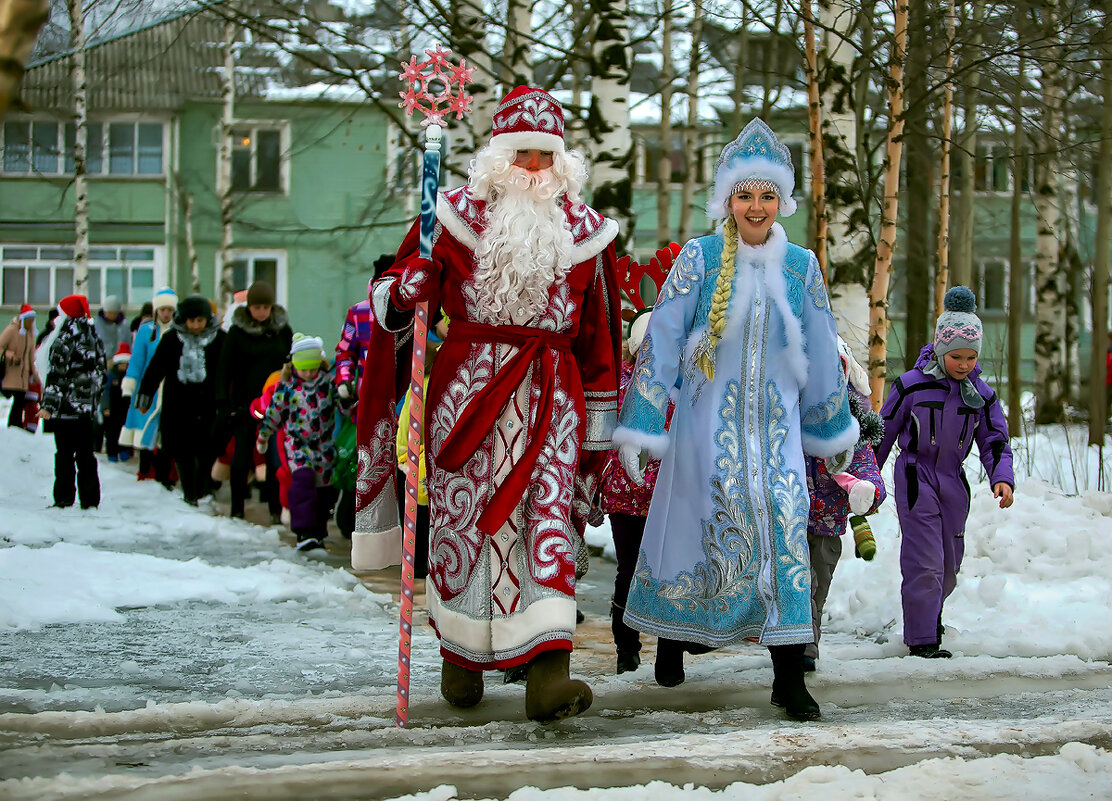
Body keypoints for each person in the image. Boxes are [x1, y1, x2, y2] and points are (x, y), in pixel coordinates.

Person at [355, 85, 623, 723]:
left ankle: (548, 672)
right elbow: (391, 301)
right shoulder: (444, 218)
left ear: (562, 165)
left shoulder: (588, 234)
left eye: (544, 157)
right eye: (521, 155)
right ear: (498, 159)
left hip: (552, 398)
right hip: (466, 395)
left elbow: (601, 338)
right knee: (464, 521)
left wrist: (603, 422)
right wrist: (405, 291)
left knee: (547, 524)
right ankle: (462, 659)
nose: (533, 170)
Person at [611, 118, 857, 722]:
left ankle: (787, 675)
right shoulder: (699, 258)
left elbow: (823, 351)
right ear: (727, 199)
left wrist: (832, 429)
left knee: (782, 528)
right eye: (744, 194)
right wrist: (644, 421)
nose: (756, 206)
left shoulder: (801, 267)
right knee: (694, 531)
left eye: (767, 194)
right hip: (703, 431)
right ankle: (671, 640)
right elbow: (662, 340)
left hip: (776, 436)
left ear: (782, 201)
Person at [876, 286, 1015, 659]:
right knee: (925, 561)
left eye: (971, 357)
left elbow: (995, 440)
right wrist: (866, 477)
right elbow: (883, 432)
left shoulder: (981, 395)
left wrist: (1001, 476)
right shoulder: (911, 387)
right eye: (956, 356)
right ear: (940, 348)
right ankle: (922, 640)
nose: (964, 364)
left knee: (950, 564)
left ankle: (931, 615)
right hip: (915, 478)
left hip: (954, 482)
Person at [802, 337, 886, 672]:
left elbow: (866, 465)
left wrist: (869, 491)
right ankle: (796, 647)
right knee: (798, 584)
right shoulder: (787, 415)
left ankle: (808, 644)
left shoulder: (853, 422)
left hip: (827, 524)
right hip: (788, 519)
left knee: (818, 586)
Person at [597, 308, 673, 676]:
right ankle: (627, 648)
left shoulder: (675, 384)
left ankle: (664, 653)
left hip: (664, 497)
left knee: (662, 573)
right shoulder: (621, 384)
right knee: (632, 571)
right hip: (627, 497)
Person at [256, 334, 346, 551]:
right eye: (303, 369)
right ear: (295, 366)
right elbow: (273, 415)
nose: (308, 373)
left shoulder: (327, 384)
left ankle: (318, 531)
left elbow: (344, 408)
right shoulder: (286, 388)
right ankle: (303, 531)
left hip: (324, 445)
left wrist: (348, 399)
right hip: (298, 445)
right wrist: (263, 436)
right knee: (303, 481)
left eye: (312, 368)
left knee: (323, 490)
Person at [135, 294, 225, 506]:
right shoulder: (172, 339)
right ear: (184, 320)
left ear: (207, 319)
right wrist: (145, 395)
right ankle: (190, 493)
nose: (195, 326)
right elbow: (156, 368)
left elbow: (230, 369)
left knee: (206, 450)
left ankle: (203, 489)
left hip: (208, 403)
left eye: (200, 321)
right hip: (178, 404)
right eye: (191, 321)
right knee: (182, 450)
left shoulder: (220, 339)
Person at [215, 280, 293, 519]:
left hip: (275, 405)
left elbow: (290, 365)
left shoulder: (282, 331)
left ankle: (274, 508)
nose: (261, 312)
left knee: (274, 458)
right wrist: (223, 401)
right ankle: (237, 508)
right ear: (248, 308)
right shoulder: (237, 333)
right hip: (243, 404)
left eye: (265, 307)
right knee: (241, 456)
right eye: (256, 307)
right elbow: (224, 369)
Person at [36, 294, 107, 509]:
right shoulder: (93, 337)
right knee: (86, 453)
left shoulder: (64, 339)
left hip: (65, 409)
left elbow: (56, 375)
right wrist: (92, 401)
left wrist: (48, 406)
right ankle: (90, 499)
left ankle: (65, 498)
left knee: (65, 453)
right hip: (85, 410)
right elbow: (101, 373)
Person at [119, 287, 177, 484]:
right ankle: (144, 472)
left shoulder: (178, 331)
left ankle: (164, 476)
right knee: (144, 429)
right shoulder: (146, 331)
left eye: (169, 309)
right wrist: (130, 385)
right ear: (156, 310)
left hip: (170, 387)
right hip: (148, 387)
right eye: (162, 309)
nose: (166, 313)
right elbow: (137, 361)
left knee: (165, 433)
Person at [0, 303, 39, 428]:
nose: (32, 322)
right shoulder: (11, 330)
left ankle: (15, 425)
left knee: (20, 401)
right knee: (18, 400)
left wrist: (35, 373)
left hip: (23, 374)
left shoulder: (30, 334)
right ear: (24, 320)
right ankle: (14, 424)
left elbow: (31, 356)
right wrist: (10, 355)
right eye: (30, 320)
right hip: (11, 373)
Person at [100, 343, 132, 462]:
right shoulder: (111, 376)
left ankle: (123, 450)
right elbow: (105, 392)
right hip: (112, 408)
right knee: (111, 432)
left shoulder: (129, 376)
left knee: (124, 430)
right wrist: (105, 407)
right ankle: (112, 452)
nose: (123, 367)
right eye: (121, 364)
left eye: (125, 364)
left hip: (125, 408)